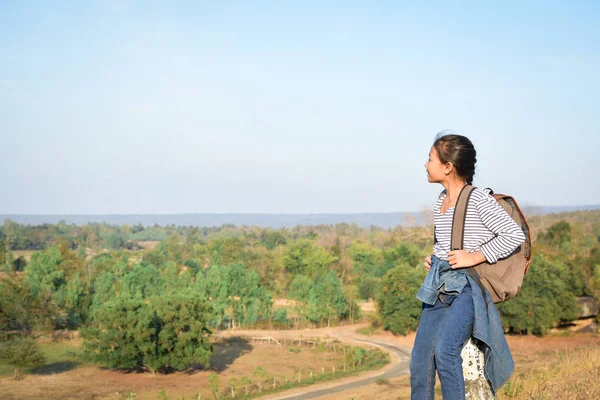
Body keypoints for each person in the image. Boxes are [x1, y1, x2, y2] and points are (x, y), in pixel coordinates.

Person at [409, 131, 525, 400]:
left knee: (446, 352)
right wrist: (435, 257)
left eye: (430, 159)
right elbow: (449, 240)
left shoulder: (478, 199)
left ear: (448, 167)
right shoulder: (441, 199)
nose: (426, 164)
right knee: (419, 361)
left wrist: (474, 257)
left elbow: (513, 235)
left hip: (467, 290)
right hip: (439, 284)